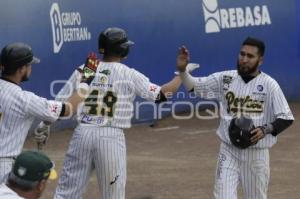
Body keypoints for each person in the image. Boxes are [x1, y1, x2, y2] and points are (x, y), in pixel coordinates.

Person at [46, 27, 196, 199]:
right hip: (111, 137)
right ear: (123, 49)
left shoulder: (86, 69)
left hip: (83, 134)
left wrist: (45, 124)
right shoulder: (128, 74)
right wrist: (182, 74)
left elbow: (60, 105)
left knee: (66, 195)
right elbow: (162, 95)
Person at [177, 37, 294, 199]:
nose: (244, 59)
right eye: (242, 54)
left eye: (250, 56)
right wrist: (183, 71)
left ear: (260, 61)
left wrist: (265, 129)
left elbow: (286, 117)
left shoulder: (269, 85)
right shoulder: (225, 79)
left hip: (256, 156)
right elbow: (193, 87)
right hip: (228, 152)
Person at [0, 42, 94, 183]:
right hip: (4, 167)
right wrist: (85, 83)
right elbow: (68, 109)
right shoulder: (25, 99)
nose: (31, 68)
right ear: (21, 69)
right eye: (29, 65)